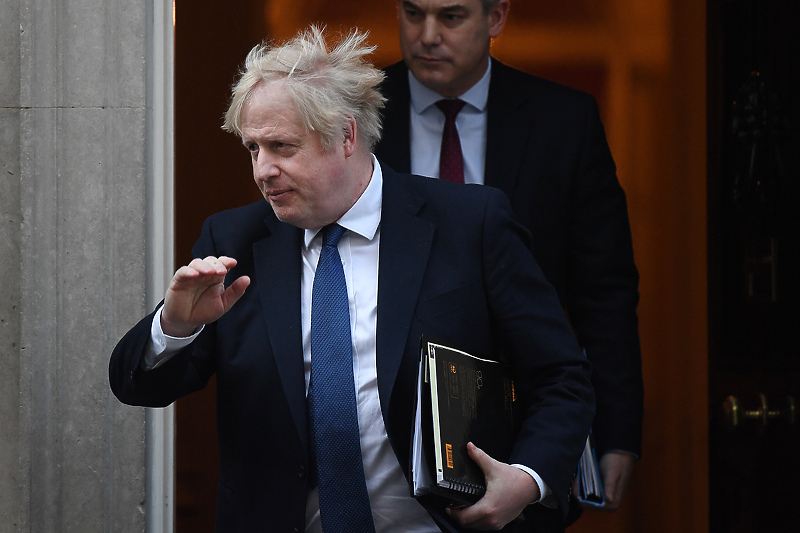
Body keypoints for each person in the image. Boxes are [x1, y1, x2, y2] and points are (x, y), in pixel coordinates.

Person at [109, 26, 594, 533]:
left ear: (346, 136)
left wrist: (527, 478)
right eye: (253, 148)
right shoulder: (233, 240)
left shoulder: (470, 224)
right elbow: (137, 386)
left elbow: (562, 377)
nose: (262, 170)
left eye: (282, 146)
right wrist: (176, 327)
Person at [374, 0, 644, 521]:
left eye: (450, 17)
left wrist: (616, 430)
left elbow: (604, 290)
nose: (427, 35)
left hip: (524, 413)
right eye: (413, 14)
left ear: (496, 18)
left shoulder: (563, 120)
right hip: (387, 413)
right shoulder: (357, 114)